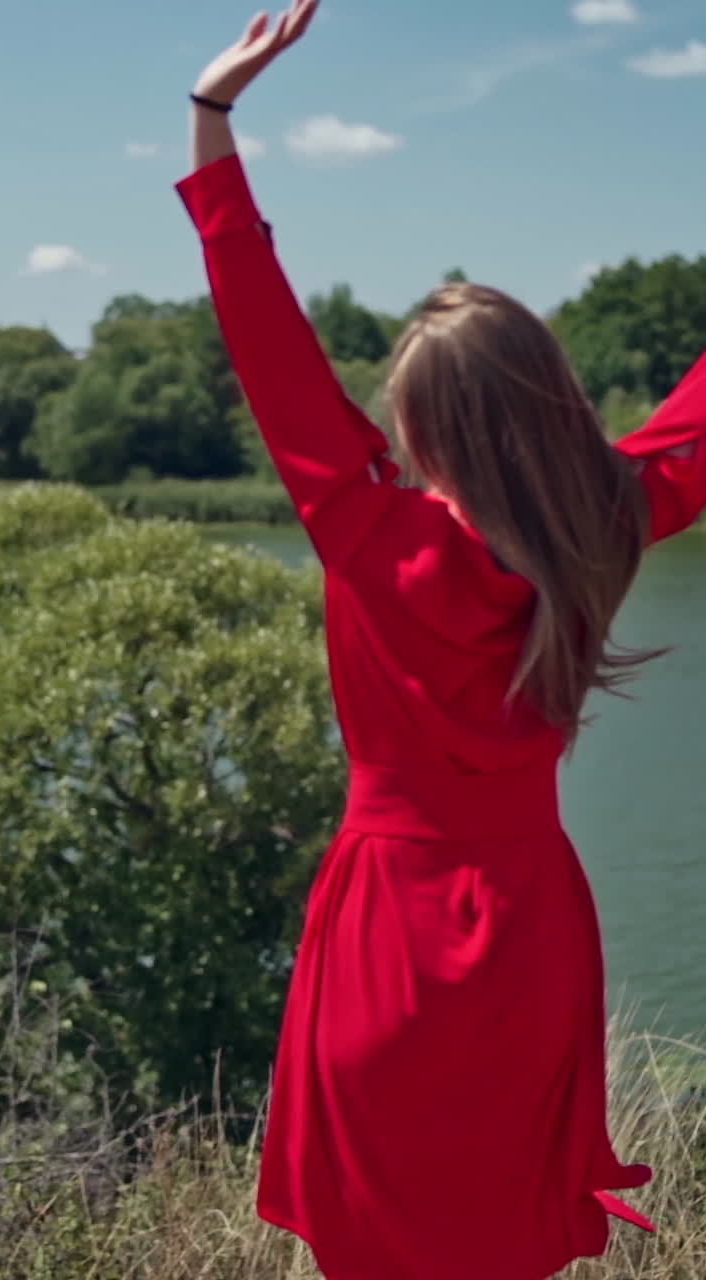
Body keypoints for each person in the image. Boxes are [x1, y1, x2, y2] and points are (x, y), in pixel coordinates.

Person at [176, 4, 706, 1277]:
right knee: (501, 1242)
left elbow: (264, 340)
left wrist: (211, 121)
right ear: (551, 403)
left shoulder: (367, 532)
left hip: (384, 934)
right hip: (529, 928)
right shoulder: (612, 518)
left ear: (418, 431)